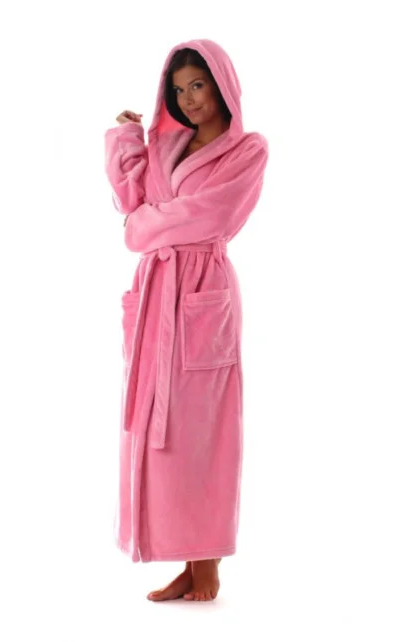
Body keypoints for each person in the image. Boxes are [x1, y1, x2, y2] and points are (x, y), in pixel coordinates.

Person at [103, 39, 269, 602]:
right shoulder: (165, 144)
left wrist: (144, 227)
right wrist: (127, 140)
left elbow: (212, 215)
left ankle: (209, 563)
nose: (189, 99)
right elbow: (130, 200)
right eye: (178, 90)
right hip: (157, 295)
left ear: (221, 85)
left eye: (198, 85)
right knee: (162, 438)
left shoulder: (247, 150)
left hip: (202, 295)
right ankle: (184, 559)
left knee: (205, 433)